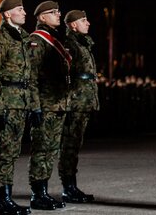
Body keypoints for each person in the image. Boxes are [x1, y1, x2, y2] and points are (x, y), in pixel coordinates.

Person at [0, 0, 33, 215]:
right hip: (4, 103)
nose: (24, 12)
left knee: (12, 152)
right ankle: (0, 201)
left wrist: (31, 103)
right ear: (7, 14)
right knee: (2, 153)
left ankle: (7, 198)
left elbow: (29, 75)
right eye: (20, 9)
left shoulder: (24, 38)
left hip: (19, 103)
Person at [28, 0, 71, 211]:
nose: (58, 15)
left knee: (51, 150)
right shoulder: (37, 41)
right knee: (41, 150)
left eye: (59, 11)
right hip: (44, 104)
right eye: (53, 12)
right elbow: (31, 76)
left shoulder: (54, 39)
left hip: (56, 104)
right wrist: (35, 106)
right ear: (42, 17)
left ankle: (43, 191)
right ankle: (38, 194)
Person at [58, 10, 99, 203]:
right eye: (83, 20)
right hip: (74, 100)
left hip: (84, 100)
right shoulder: (70, 44)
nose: (88, 23)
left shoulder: (83, 43)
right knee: (69, 144)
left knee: (75, 144)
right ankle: (68, 187)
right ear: (73, 25)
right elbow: (63, 73)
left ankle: (71, 185)